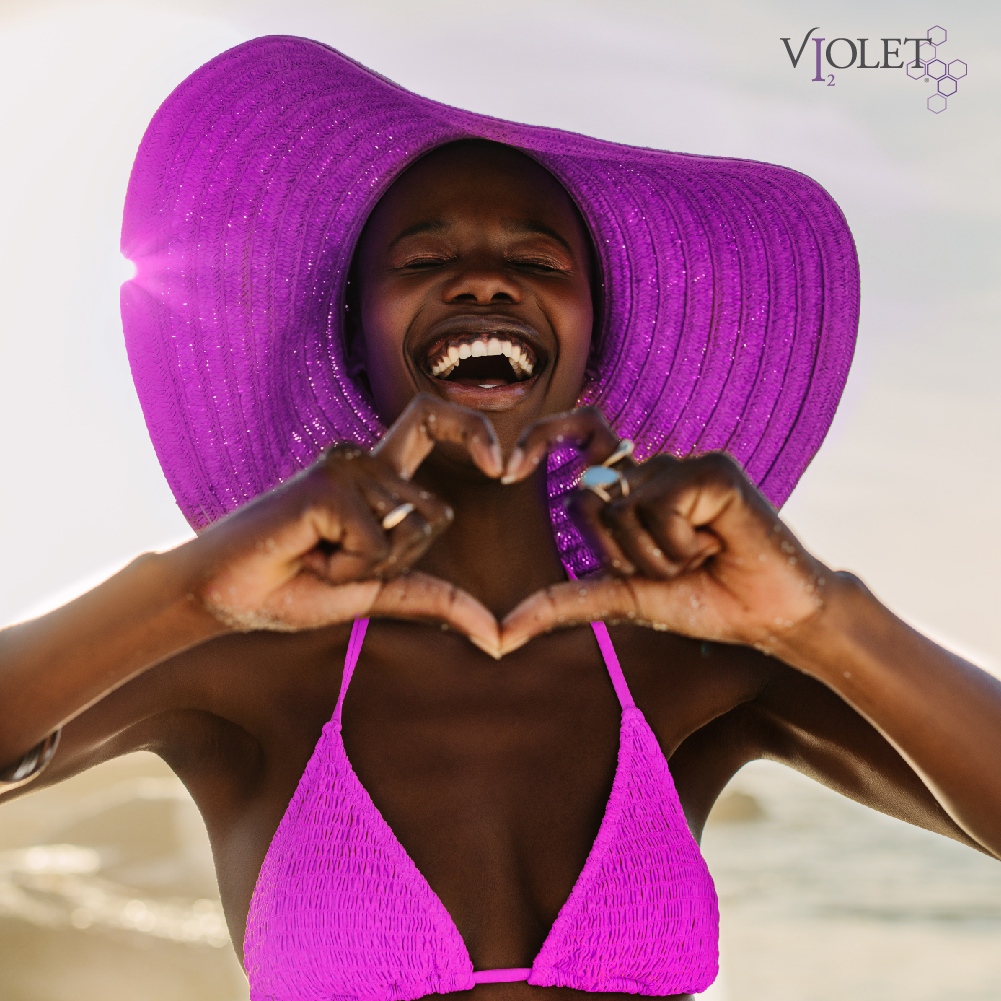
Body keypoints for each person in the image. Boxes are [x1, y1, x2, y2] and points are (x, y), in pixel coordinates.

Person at [2, 35, 1000, 1001]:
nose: (483, 279)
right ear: (355, 337)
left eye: (537, 258)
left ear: (591, 338)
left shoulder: (694, 659)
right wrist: (187, 590)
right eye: (421, 255)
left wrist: (818, 618)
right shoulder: (242, 655)